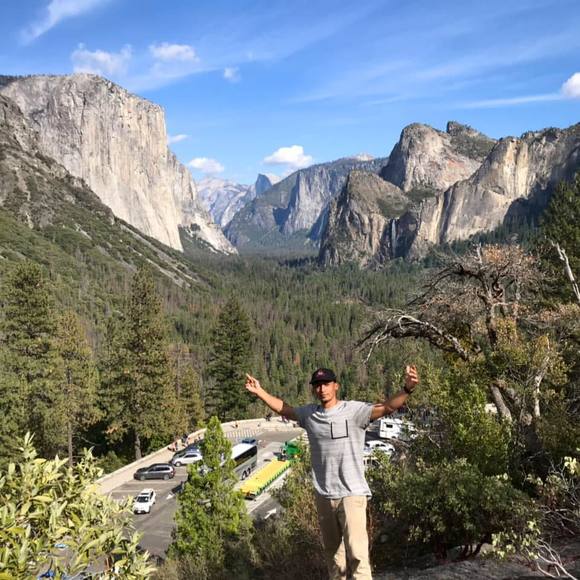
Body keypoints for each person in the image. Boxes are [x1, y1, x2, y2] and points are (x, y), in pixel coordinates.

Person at [244, 365, 419, 580]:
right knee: (334, 557)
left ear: (336, 386)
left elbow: (386, 408)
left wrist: (407, 389)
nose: (322, 389)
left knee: (358, 554)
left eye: (326, 384)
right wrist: (260, 391)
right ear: (314, 389)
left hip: (351, 493)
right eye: (317, 385)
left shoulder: (354, 411)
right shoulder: (310, 415)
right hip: (324, 496)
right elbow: (284, 409)